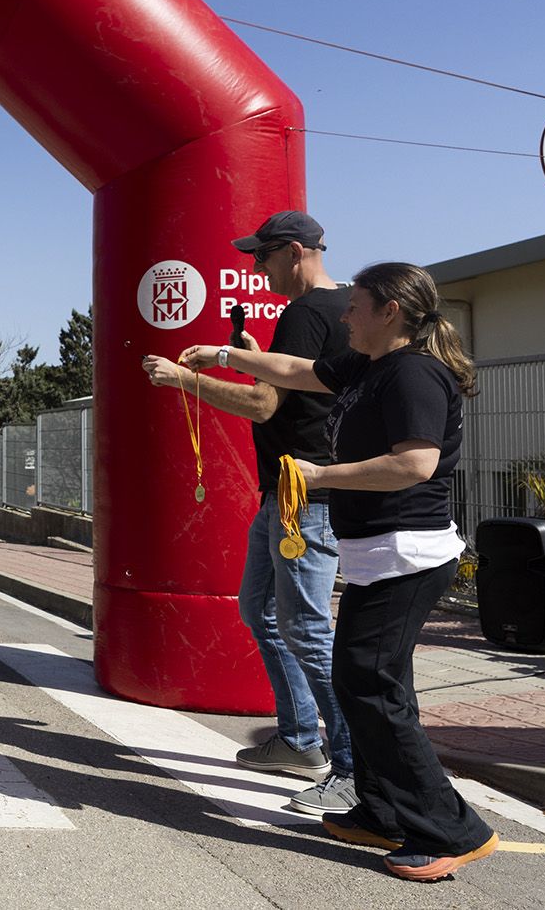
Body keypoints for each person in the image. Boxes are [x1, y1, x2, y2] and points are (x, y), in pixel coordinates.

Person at [181, 261, 498, 883]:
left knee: (371, 689)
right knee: (363, 686)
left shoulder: (412, 373)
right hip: (376, 557)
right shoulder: (369, 364)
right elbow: (297, 371)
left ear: (390, 311)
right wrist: (225, 354)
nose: (345, 314)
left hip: (407, 557)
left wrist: (320, 475)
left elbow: (415, 464)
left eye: (356, 305)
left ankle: (452, 829)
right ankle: (383, 811)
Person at [140, 210, 356, 815]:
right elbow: (288, 388)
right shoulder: (338, 311)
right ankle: (299, 739)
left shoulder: (306, 314)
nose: (257, 268)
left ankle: (353, 767)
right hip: (289, 495)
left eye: (262, 256)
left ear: (294, 252)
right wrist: (248, 357)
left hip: (302, 498)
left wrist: (181, 380)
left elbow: (263, 405)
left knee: (306, 628)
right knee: (259, 609)